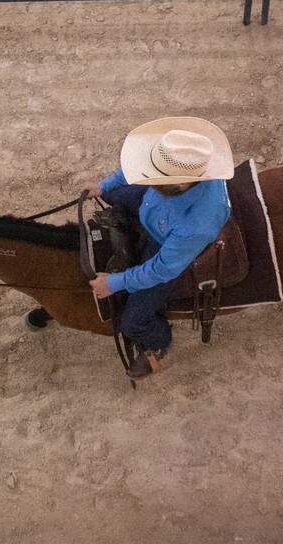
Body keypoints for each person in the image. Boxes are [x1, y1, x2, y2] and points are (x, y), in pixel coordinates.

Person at [85, 117, 232, 380]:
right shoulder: (174, 165)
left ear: (182, 183)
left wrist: (115, 283)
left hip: (163, 242)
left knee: (132, 322)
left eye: (156, 177)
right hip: (153, 209)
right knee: (114, 194)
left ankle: (158, 344)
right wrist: (104, 186)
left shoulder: (198, 223)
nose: (146, 177)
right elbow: (135, 169)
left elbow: (162, 269)